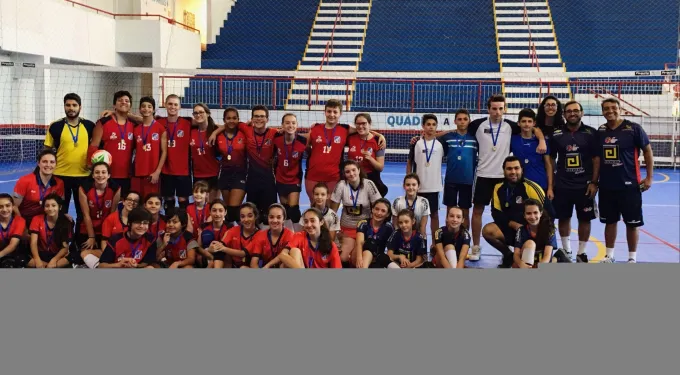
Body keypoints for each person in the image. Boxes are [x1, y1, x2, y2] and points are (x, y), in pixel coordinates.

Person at [467, 95, 547, 261]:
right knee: (477, 211)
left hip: (504, 178)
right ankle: (475, 247)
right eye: (494, 108)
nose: (497, 112)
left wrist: (541, 140)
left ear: (505, 109)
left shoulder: (511, 126)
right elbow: (458, 130)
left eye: (500, 108)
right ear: (488, 109)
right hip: (483, 175)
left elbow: (533, 127)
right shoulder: (477, 125)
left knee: (508, 212)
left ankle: (515, 247)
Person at [596, 98, 654, 263]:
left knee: (632, 223)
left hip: (630, 185)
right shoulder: (600, 131)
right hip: (607, 186)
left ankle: (632, 258)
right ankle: (609, 256)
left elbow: (648, 151)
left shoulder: (633, 128)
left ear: (620, 109)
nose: (610, 111)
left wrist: (649, 177)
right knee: (610, 222)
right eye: (606, 108)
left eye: (613, 107)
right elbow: (597, 159)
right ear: (602, 111)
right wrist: (594, 181)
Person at [303, 99, 385, 204]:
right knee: (314, 206)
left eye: (335, 112)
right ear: (325, 112)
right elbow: (303, 142)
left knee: (329, 208)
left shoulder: (345, 129)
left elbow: (363, 130)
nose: (332, 115)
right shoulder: (315, 128)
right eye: (329, 111)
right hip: (312, 175)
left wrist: (379, 135)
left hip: (333, 176)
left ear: (340, 113)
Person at [548, 100, 599, 262]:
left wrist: (594, 182)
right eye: (568, 111)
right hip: (562, 184)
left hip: (584, 185)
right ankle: (567, 249)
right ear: (564, 114)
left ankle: (581, 252)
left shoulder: (591, 133)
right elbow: (550, 158)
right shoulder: (556, 134)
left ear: (582, 113)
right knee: (564, 217)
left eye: (576, 110)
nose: (572, 113)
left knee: (585, 218)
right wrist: (552, 182)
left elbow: (596, 159)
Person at [483, 156, 546, 268]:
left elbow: (549, 213)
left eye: (516, 168)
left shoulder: (532, 187)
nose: (513, 172)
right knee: (488, 230)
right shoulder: (499, 188)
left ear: (522, 169)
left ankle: (534, 253)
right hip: (512, 230)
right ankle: (508, 255)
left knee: (528, 265)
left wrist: (530, 229)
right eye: (509, 169)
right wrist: (514, 225)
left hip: (531, 232)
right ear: (504, 170)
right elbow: (496, 214)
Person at [44, 93, 95, 218]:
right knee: (60, 211)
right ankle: (62, 237)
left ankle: (79, 237)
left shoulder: (89, 126)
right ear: (64, 107)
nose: (71, 108)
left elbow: (96, 147)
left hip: (84, 176)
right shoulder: (55, 126)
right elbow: (47, 151)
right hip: (60, 175)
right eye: (68, 105)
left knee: (82, 212)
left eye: (74, 105)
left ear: (80, 107)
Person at [329, 160, 382, 266]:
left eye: (354, 170)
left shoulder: (368, 184)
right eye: (347, 172)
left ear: (359, 170)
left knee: (355, 259)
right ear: (344, 174)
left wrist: (375, 230)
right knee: (343, 258)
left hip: (364, 229)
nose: (351, 174)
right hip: (347, 227)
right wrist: (334, 232)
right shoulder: (341, 185)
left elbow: (379, 206)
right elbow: (332, 212)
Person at [89, 91, 136, 196]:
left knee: (124, 205)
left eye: (127, 101)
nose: (123, 102)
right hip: (107, 174)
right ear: (114, 104)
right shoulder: (103, 122)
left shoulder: (134, 124)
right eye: (120, 100)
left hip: (127, 174)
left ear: (130, 106)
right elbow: (93, 146)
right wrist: (91, 167)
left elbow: (150, 122)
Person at [510, 108, 555, 217]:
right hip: (521, 186)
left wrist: (550, 188)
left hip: (541, 185)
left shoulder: (542, 142)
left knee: (547, 217)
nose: (526, 124)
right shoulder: (512, 140)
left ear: (534, 123)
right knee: (522, 216)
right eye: (523, 121)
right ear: (518, 123)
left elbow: (548, 165)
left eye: (529, 121)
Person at [407, 114, 443, 244]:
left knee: (434, 215)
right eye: (428, 124)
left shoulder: (440, 144)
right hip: (418, 187)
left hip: (434, 186)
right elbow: (410, 161)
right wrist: (408, 180)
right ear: (423, 126)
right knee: (416, 216)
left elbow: (442, 135)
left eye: (434, 125)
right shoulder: (416, 143)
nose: (431, 127)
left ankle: (435, 243)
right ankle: (416, 242)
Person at [76, 162, 121, 266]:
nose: (100, 175)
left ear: (109, 175)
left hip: (106, 227)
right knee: (81, 254)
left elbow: (112, 214)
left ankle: (103, 266)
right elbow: (85, 215)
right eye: (97, 172)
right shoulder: (84, 188)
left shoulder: (116, 188)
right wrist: (91, 237)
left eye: (103, 172)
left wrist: (107, 236)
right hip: (88, 227)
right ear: (92, 175)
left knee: (108, 252)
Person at [439, 109, 477, 230]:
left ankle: (465, 239)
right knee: (450, 211)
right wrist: (449, 131)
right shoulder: (448, 137)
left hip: (467, 180)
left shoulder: (475, 139)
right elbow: (430, 136)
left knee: (465, 212)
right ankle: (449, 238)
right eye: (459, 119)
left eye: (465, 119)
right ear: (455, 121)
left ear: (469, 121)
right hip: (451, 179)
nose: (462, 122)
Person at [85, 190, 141, 269]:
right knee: (84, 253)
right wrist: (108, 257)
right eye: (129, 199)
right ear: (123, 201)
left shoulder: (141, 220)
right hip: (114, 253)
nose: (132, 202)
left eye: (135, 201)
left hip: (133, 253)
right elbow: (104, 241)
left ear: (138, 204)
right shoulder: (111, 218)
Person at [158, 95, 194, 211]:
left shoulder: (188, 122)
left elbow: (207, 123)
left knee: (183, 201)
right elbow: (142, 119)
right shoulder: (159, 122)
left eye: (175, 104)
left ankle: (183, 226)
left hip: (183, 170)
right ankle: (169, 224)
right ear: (165, 105)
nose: (172, 107)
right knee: (168, 200)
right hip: (165, 169)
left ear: (180, 107)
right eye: (170, 104)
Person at [272, 113, 308, 229]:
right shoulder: (276, 139)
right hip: (280, 178)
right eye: (287, 123)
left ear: (297, 125)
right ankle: (288, 234)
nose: (290, 125)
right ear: (282, 125)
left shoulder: (303, 141)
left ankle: (299, 233)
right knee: (285, 209)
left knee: (294, 210)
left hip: (294, 180)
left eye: (293, 123)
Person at [13, 149, 65, 227]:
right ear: (38, 163)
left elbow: (59, 206)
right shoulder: (25, 180)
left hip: (45, 221)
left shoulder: (59, 183)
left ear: (56, 164)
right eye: (44, 162)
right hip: (25, 220)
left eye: (52, 162)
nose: (48, 165)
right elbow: (14, 206)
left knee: (67, 222)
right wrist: (22, 227)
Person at [512, 199, 570, 268]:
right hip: (529, 259)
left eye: (535, 212)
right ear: (524, 215)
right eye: (528, 213)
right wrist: (521, 264)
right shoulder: (521, 230)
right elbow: (516, 254)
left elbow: (546, 257)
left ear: (541, 213)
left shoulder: (549, 229)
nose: (532, 217)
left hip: (542, 261)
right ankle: (557, 258)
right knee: (529, 245)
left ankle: (557, 258)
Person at [215, 107, 248, 223]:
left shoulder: (244, 133)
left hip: (240, 174)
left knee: (234, 209)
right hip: (224, 174)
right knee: (229, 211)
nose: (231, 121)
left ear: (238, 119)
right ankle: (231, 236)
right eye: (228, 118)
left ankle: (246, 235)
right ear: (224, 120)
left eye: (234, 118)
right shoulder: (218, 136)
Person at [131, 96, 167, 199]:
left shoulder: (160, 128)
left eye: (149, 106)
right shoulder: (136, 129)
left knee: (151, 202)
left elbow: (164, 152)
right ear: (139, 109)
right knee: (137, 202)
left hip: (152, 173)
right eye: (143, 106)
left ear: (153, 110)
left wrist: (157, 172)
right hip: (137, 172)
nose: (146, 109)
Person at [346, 113, 388, 196]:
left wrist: (370, 159)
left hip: (371, 179)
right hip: (353, 178)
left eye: (364, 123)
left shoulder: (378, 141)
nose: (361, 126)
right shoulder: (350, 137)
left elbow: (380, 167)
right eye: (358, 124)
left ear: (369, 123)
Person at [27, 194, 72, 268]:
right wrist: (37, 259)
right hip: (41, 254)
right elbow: (33, 243)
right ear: (44, 208)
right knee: (21, 258)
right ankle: (48, 267)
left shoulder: (66, 222)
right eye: (47, 206)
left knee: (74, 256)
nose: (50, 208)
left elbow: (65, 248)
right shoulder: (36, 219)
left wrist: (54, 260)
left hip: (57, 255)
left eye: (53, 205)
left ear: (60, 207)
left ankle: (47, 266)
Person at [213, 202, 259, 269]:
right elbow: (220, 245)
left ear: (255, 216)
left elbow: (243, 253)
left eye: (250, 216)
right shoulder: (233, 230)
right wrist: (213, 247)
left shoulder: (260, 234)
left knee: (243, 268)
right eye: (242, 216)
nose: (246, 219)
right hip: (233, 265)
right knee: (219, 254)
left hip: (249, 266)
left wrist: (223, 248)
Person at [190, 103, 220, 201]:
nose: (198, 115)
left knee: (212, 206)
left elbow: (228, 126)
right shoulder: (191, 131)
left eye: (201, 112)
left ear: (207, 114)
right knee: (199, 205)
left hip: (214, 174)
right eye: (196, 113)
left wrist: (215, 132)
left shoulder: (215, 130)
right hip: (197, 175)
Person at [248, 204, 295, 268]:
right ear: (267, 218)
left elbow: (284, 257)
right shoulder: (260, 235)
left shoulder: (290, 235)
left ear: (284, 219)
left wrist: (267, 266)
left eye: (278, 217)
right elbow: (253, 263)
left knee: (283, 265)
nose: (275, 220)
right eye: (271, 217)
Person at [354, 198, 394, 269]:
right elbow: (359, 243)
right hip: (360, 255)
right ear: (372, 209)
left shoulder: (389, 227)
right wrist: (359, 258)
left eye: (383, 211)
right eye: (377, 209)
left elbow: (391, 247)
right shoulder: (363, 223)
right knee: (369, 243)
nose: (379, 213)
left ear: (387, 214)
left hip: (377, 258)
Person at [196, 200, 231, 268]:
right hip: (207, 257)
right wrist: (207, 251)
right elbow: (198, 247)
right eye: (214, 210)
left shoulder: (230, 228)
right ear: (210, 212)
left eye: (220, 210)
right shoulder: (203, 227)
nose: (217, 214)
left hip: (224, 259)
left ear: (225, 212)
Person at [0, 193, 26, 268]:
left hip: (15, 253)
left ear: (13, 206)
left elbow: (13, 245)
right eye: (0, 207)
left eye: (7, 205)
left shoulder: (19, 221)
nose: (4, 209)